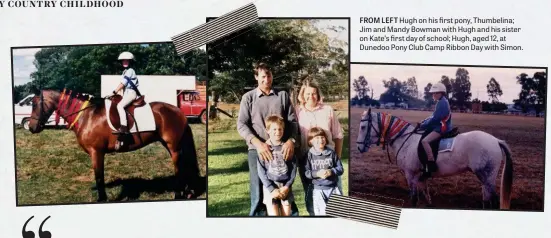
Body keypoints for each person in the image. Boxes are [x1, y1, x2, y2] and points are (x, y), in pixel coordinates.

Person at [237, 63, 300, 216]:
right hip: (257, 151)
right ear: (256, 77)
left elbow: (293, 122)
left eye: (269, 75)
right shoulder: (248, 98)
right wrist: (259, 144)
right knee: (259, 191)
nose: (266, 79)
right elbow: (241, 124)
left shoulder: (282, 96)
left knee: (284, 189)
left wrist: (291, 140)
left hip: (281, 149)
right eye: (263, 76)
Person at [295, 80, 344, 216]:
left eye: (314, 93)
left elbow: (338, 135)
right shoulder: (297, 111)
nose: (311, 96)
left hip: (329, 161)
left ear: (318, 94)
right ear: (302, 95)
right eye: (308, 93)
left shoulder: (327, 110)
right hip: (309, 163)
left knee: (336, 198)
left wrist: (337, 158)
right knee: (313, 199)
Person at [257, 115, 297, 216]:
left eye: (280, 129)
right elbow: (261, 171)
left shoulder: (287, 147)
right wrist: (271, 188)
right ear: (267, 130)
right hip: (270, 186)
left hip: (285, 187)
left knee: (286, 215)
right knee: (273, 216)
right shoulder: (264, 148)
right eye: (274, 129)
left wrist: (287, 186)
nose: (277, 132)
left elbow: (293, 168)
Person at [304, 127, 344, 216]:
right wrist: (317, 174)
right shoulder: (309, 155)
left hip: (333, 189)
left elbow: (340, 169)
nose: (320, 140)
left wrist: (331, 171)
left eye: (322, 137)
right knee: (322, 214)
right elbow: (307, 173)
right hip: (318, 190)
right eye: (317, 138)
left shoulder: (332, 153)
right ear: (310, 141)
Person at [418, 82, 452, 175]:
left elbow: (435, 119)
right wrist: (423, 122)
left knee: (425, 141)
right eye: (433, 93)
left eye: (435, 93)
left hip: (442, 128)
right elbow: (433, 116)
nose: (433, 95)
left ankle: (431, 162)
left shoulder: (442, 103)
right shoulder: (441, 102)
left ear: (441, 93)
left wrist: (422, 125)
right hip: (439, 125)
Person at [109, 51, 141, 135]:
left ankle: (124, 128)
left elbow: (123, 83)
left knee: (120, 106)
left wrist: (114, 92)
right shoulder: (125, 72)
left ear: (130, 62)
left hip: (131, 93)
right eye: (123, 60)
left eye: (127, 60)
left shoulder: (130, 71)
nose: (125, 62)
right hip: (126, 93)